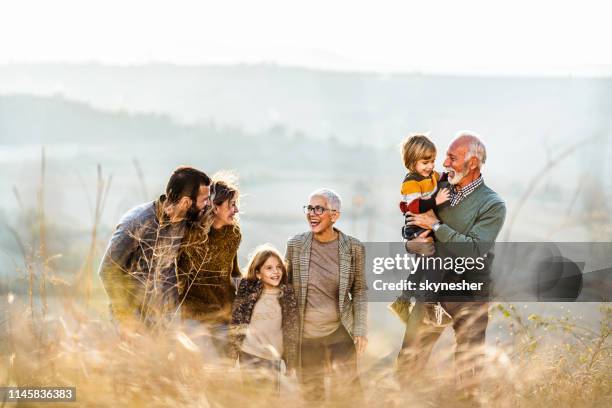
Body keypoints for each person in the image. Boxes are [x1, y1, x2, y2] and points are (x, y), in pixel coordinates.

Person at [398, 131, 506, 398]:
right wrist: (413, 243)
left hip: (469, 294)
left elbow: (473, 249)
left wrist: (435, 225)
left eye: (451, 157)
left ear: (472, 164)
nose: (444, 163)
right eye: (445, 156)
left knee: (467, 374)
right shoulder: (438, 187)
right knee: (409, 363)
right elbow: (413, 226)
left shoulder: (492, 204)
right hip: (431, 289)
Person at [98, 166, 211, 332]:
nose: (207, 205)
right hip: (134, 325)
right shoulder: (137, 222)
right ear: (186, 202)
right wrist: (127, 318)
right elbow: (108, 270)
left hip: (166, 323)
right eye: (204, 200)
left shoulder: (185, 221)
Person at [285, 188, 367, 403]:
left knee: (350, 396)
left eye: (319, 209)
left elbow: (359, 290)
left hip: (339, 333)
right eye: (309, 208)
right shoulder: (295, 244)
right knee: (313, 399)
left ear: (334, 215)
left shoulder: (353, 248)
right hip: (306, 338)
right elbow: (285, 290)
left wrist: (360, 328)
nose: (312, 214)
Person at [177, 174, 242, 358]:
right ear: (215, 206)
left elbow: (233, 271)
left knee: (224, 370)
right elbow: (177, 274)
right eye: (231, 205)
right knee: (202, 367)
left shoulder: (233, 234)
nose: (236, 210)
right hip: (193, 317)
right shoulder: (191, 235)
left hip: (223, 315)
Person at [228, 244, 299, 396]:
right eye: (269, 268)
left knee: (270, 399)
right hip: (249, 354)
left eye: (279, 267)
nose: (276, 272)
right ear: (258, 273)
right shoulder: (248, 290)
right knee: (252, 398)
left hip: (273, 358)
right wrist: (232, 355)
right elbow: (237, 321)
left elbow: (292, 329)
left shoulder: (287, 294)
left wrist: (291, 361)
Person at [399, 133, 450, 240]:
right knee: (431, 241)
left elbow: (442, 176)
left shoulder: (430, 174)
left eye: (433, 161)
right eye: (425, 162)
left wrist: (451, 175)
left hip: (427, 218)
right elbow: (414, 207)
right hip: (415, 224)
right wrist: (436, 200)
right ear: (412, 163)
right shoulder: (411, 182)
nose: (430, 166)